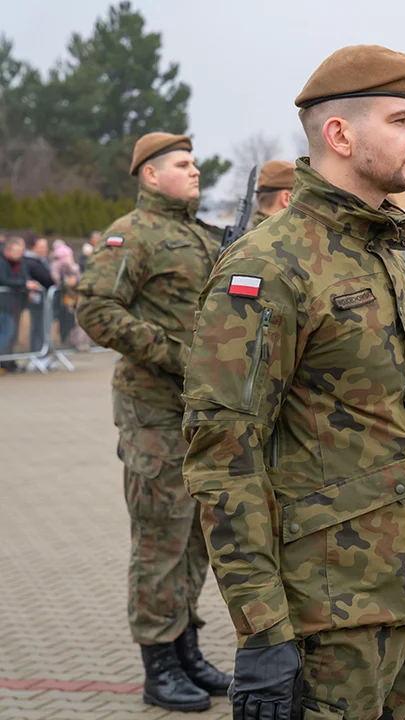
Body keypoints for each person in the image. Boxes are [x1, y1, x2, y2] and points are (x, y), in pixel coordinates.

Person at [184, 46, 405, 720]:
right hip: (322, 621)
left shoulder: (388, 254)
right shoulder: (273, 264)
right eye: (403, 119)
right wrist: (263, 631)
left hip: (400, 604)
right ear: (340, 134)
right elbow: (223, 458)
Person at [76, 131, 229, 712]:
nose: (195, 172)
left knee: (194, 540)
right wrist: (174, 355)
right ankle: (157, 664)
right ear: (149, 175)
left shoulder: (198, 233)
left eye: (194, 163)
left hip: (200, 411)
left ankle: (186, 646)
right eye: (182, 164)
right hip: (154, 411)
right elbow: (94, 306)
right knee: (160, 538)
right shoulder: (133, 233)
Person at [1, 236, 43, 371]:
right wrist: (25, 284)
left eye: (21, 251)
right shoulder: (2, 263)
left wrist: (30, 285)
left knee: (13, 335)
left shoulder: (21, 263)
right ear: (7, 250)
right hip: (3, 305)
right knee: (6, 333)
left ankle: (9, 362)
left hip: (15, 304)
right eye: (16, 251)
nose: (20, 254)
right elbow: (5, 280)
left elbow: (24, 278)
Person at [50, 240, 90, 350]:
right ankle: (64, 342)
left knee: (74, 321)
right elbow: (55, 278)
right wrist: (65, 282)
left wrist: (75, 280)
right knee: (63, 321)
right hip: (60, 298)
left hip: (73, 296)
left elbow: (78, 275)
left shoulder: (73, 265)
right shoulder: (55, 265)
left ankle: (75, 342)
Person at [23, 237, 54, 354]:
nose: (44, 250)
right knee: (37, 327)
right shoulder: (31, 261)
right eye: (41, 247)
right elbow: (46, 278)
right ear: (33, 247)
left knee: (43, 327)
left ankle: (42, 353)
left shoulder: (43, 260)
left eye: (45, 247)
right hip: (36, 300)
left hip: (44, 301)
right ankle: (36, 353)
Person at [249, 159, 295, 229]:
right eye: (301, 197)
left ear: (258, 197)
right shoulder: (290, 237)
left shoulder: (245, 236)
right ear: (286, 198)